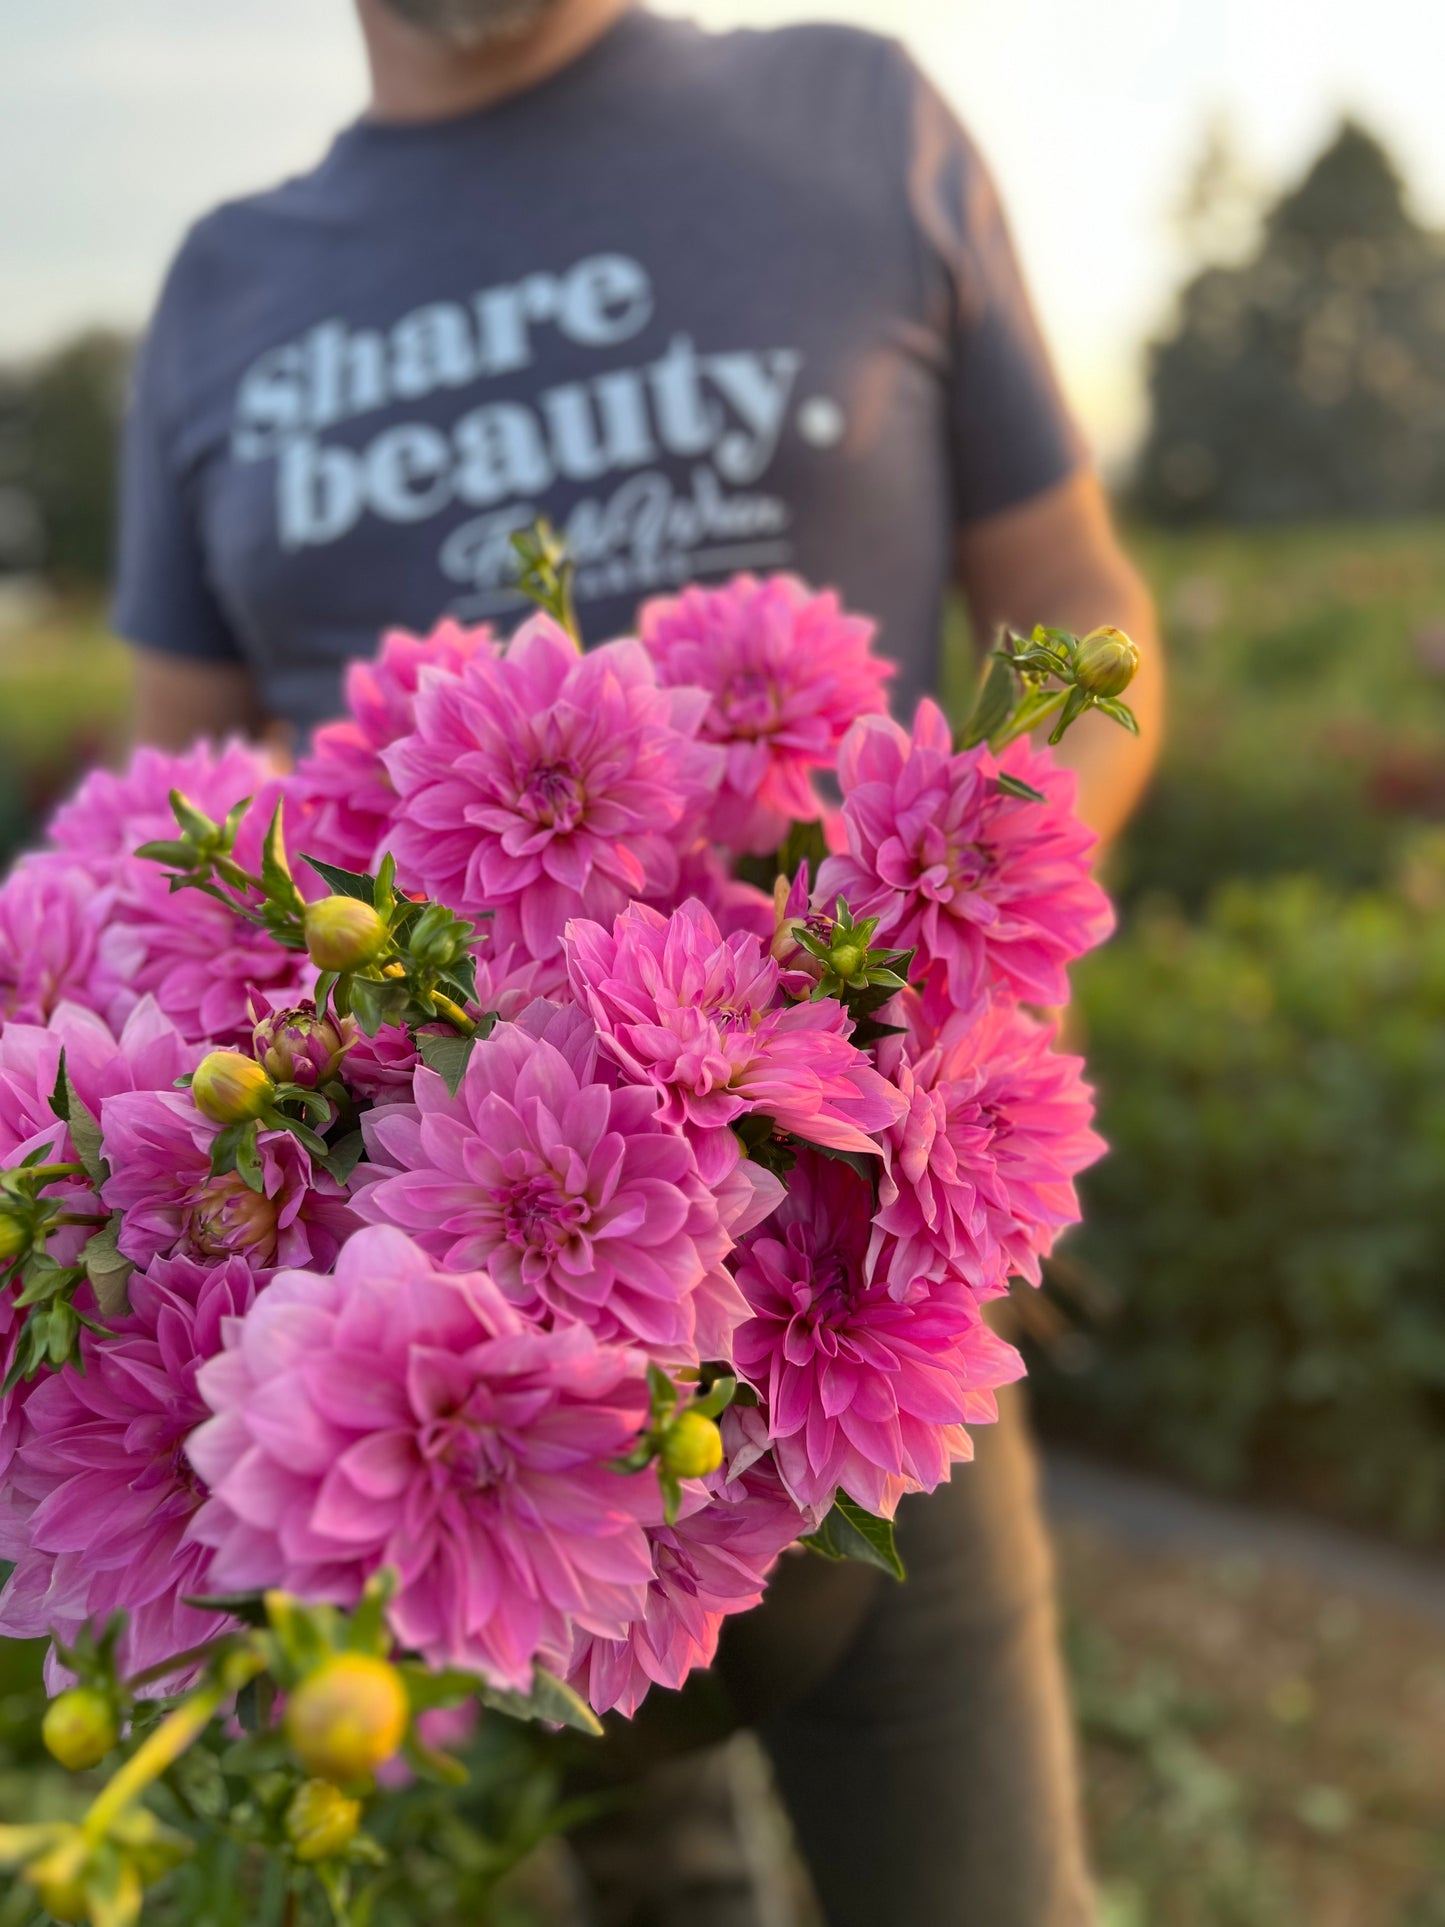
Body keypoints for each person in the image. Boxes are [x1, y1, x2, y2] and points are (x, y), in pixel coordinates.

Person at [114, 2, 1163, 1921]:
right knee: (636, 1891)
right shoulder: (218, 286)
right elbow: (177, 810)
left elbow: (1078, 599)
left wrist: (972, 948)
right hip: (427, 1392)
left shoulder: (850, 110)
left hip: (866, 1301)